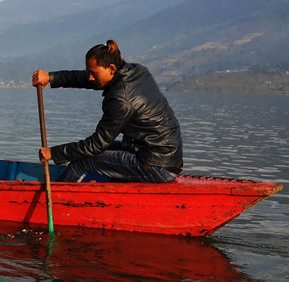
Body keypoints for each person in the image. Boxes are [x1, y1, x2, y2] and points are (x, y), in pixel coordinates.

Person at [33, 40, 183, 183]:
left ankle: (56, 202)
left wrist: (55, 153)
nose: (90, 78)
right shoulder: (136, 72)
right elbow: (88, 78)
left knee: (83, 161)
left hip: (156, 166)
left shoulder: (121, 98)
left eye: (93, 73)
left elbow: (97, 144)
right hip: (163, 156)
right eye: (89, 72)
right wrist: (51, 77)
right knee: (82, 152)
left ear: (111, 68)